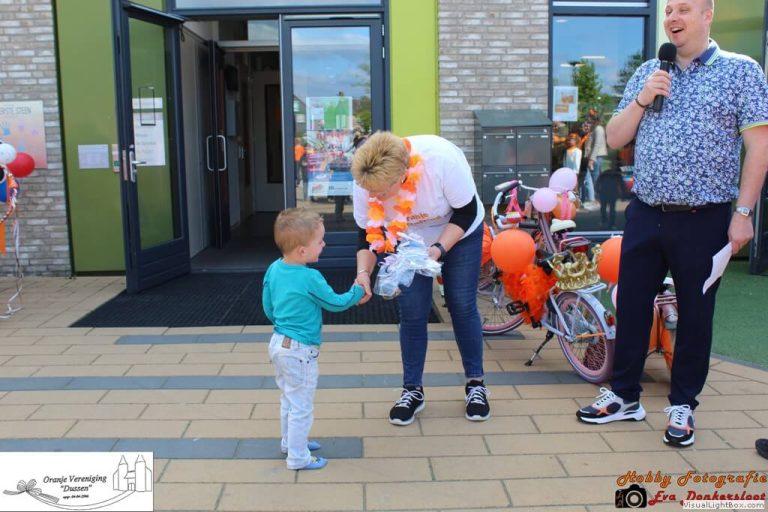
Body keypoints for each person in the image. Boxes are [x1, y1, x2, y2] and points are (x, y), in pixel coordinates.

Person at [576, 0, 768, 448]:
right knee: (631, 305)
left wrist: (743, 214)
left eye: (684, 9)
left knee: (696, 315)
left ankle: (683, 404)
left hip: (705, 219)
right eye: (669, 11)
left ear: (708, 14)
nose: (673, 18)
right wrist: (644, 97)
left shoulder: (741, 70)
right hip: (645, 212)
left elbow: (759, 147)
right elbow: (616, 137)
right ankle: (625, 396)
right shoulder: (650, 70)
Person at [351, 131, 488, 426]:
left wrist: (438, 250)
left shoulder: (441, 160)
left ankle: (475, 384)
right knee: (412, 311)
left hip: (459, 231)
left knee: (461, 304)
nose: (375, 197)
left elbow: (466, 212)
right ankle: (412, 390)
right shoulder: (366, 180)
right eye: (371, 192)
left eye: (382, 192)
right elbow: (366, 236)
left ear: (403, 175)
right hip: (407, 239)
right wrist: (362, 274)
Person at [262, 208, 364, 470]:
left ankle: (289, 443)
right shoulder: (310, 277)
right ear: (302, 251)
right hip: (300, 350)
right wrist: (357, 291)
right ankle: (298, 457)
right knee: (302, 406)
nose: (324, 244)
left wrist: (282, 323)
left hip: (278, 343)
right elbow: (335, 303)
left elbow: (268, 305)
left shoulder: (274, 268)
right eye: (320, 241)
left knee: (289, 398)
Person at [583, 109, 608, 209]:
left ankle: (598, 201)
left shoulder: (598, 129)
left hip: (596, 157)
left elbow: (597, 145)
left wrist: (591, 159)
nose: (587, 120)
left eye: (589, 118)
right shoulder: (595, 128)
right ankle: (593, 200)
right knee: (590, 178)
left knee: (595, 180)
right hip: (594, 157)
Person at [595, 165, 624, 230]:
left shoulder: (605, 173)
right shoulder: (617, 174)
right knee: (612, 209)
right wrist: (623, 195)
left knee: (603, 207)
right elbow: (622, 185)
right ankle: (611, 224)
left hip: (604, 192)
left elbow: (598, 182)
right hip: (612, 193)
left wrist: (597, 191)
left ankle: (604, 221)